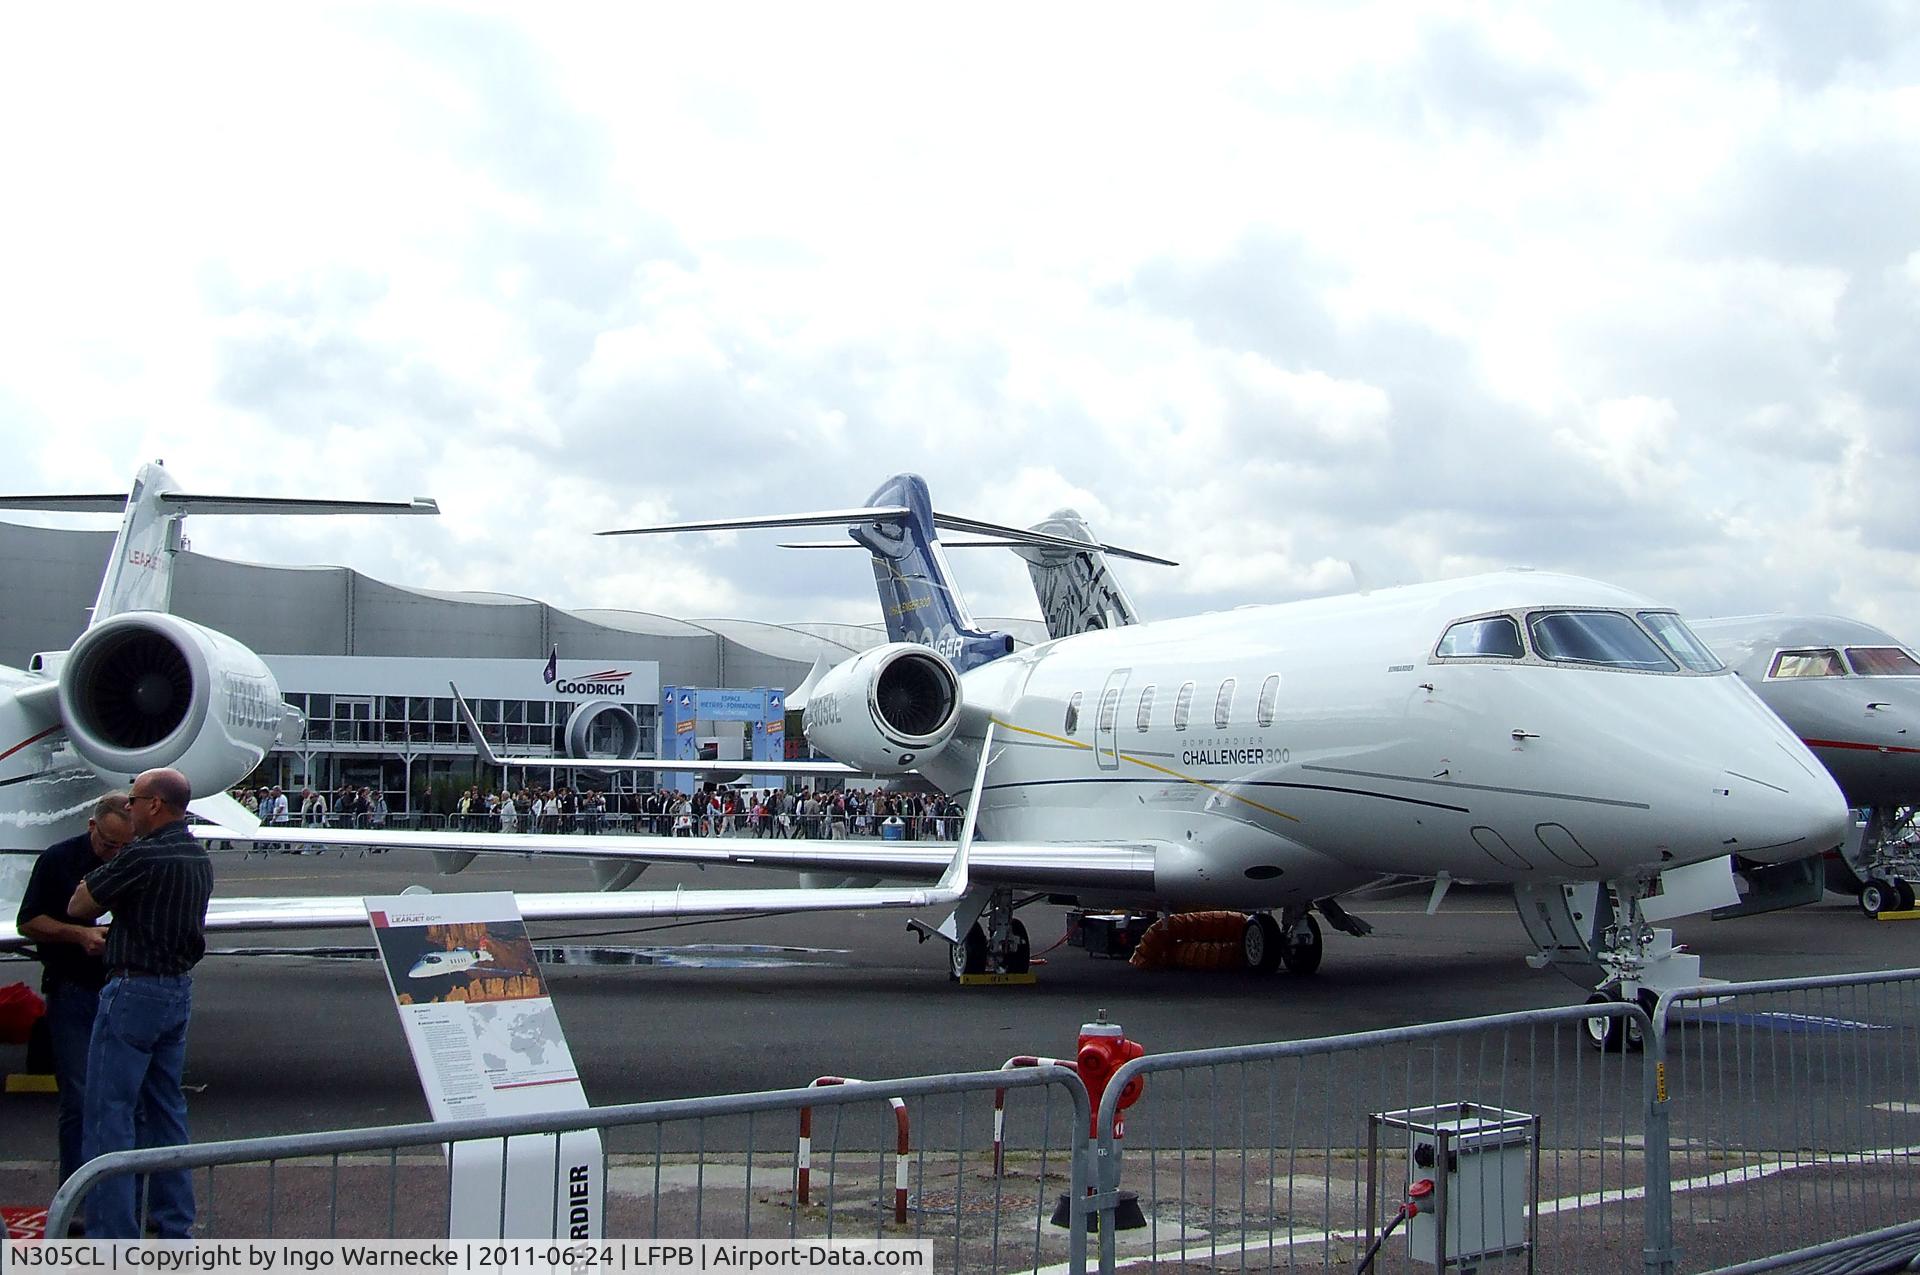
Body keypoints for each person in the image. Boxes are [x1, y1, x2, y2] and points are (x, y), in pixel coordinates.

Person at [67, 768, 211, 1239]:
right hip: (176, 990)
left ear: (154, 805)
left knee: (110, 1115)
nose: (127, 807)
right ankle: (174, 1225)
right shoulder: (196, 855)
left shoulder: (144, 856)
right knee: (167, 1111)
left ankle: (112, 1236)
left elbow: (79, 906)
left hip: (132, 990)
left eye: (133, 800)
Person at [14, 794, 135, 1210]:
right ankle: (75, 1199)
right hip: (72, 989)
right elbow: (28, 920)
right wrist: (78, 934)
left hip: (124, 988)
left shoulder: (135, 858)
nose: (115, 853)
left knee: (125, 1097)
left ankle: (123, 1196)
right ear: (91, 828)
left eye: (123, 845)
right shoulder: (57, 860)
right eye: (107, 845)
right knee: (79, 1098)